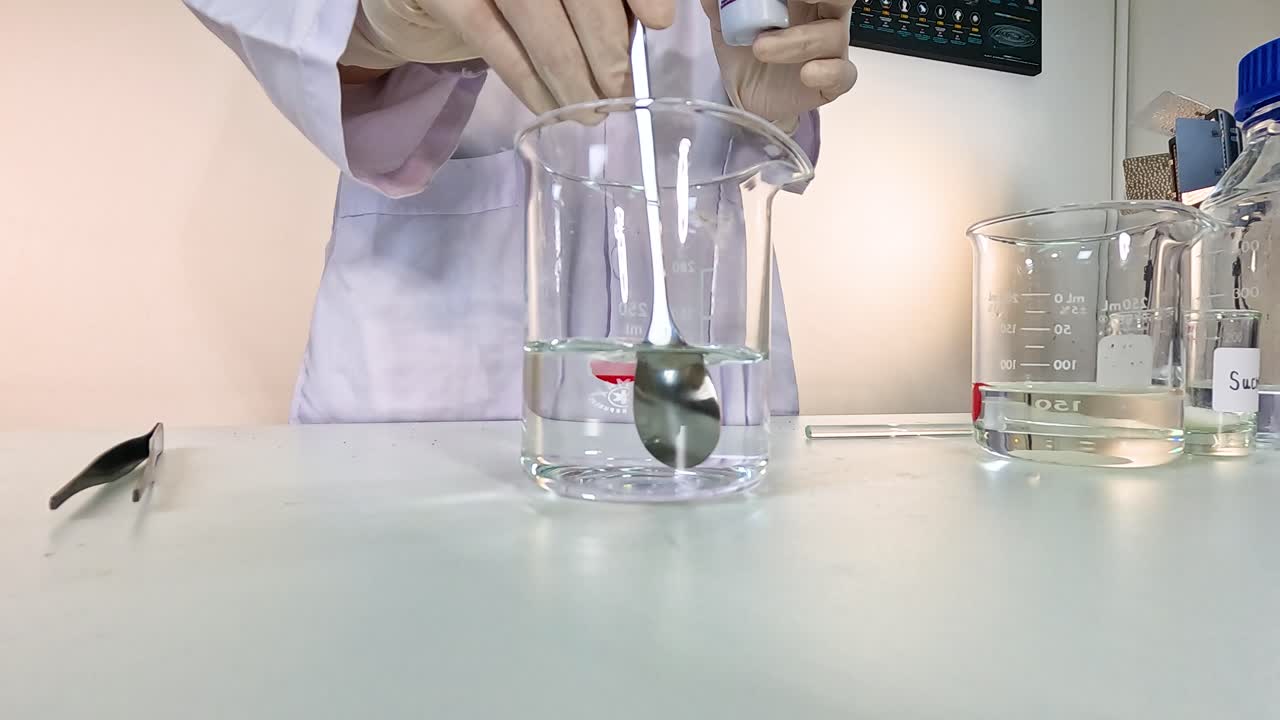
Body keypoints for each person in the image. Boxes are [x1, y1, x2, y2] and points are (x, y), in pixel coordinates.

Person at [184, 0, 857, 422]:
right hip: (435, 418)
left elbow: (768, 124)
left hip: (708, 382)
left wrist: (772, 92)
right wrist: (382, 22)